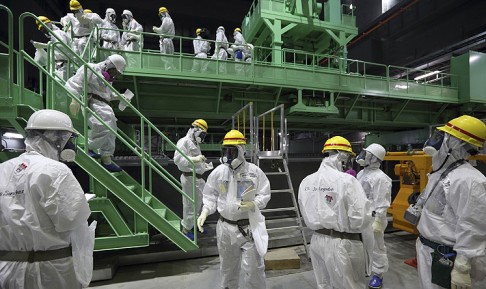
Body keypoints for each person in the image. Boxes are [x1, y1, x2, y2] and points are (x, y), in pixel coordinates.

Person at [0, 109, 95, 289]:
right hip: (50, 272)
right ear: (56, 138)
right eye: (68, 139)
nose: (70, 146)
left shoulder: (3, 169)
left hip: (6, 269)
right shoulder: (56, 171)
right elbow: (70, 220)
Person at [416, 115, 486, 289]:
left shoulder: (470, 180)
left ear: (455, 143)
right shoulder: (440, 173)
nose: (434, 141)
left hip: (448, 257)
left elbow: (473, 225)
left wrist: (462, 266)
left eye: (442, 136)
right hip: (429, 250)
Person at [197, 130, 271, 289]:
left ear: (241, 150)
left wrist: (255, 204)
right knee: (227, 268)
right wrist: (205, 210)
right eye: (225, 150)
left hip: (247, 227)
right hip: (224, 227)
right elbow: (210, 194)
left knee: (254, 270)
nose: (228, 155)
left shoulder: (254, 172)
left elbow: (264, 193)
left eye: (232, 150)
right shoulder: (219, 172)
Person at [298, 135, 373, 289]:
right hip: (343, 243)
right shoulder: (347, 181)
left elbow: (305, 210)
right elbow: (359, 218)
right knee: (351, 285)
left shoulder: (306, 181)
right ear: (342, 156)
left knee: (324, 285)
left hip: (317, 241)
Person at [65, 54, 127, 172]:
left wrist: (119, 97)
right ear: (108, 65)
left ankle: (106, 158)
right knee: (102, 126)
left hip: (105, 105)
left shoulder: (107, 78)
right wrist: (74, 100)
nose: (114, 76)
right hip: (92, 103)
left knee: (112, 130)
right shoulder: (90, 68)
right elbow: (76, 82)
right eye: (114, 72)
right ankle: (90, 147)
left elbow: (106, 94)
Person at [356, 143, 392, 289]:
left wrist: (378, 220)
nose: (363, 156)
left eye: (367, 153)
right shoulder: (361, 174)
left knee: (376, 247)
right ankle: (367, 269)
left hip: (373, 218)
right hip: (361, 216)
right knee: (362, 246)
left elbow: (382, 201)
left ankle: (378, 274)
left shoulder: (381, 178)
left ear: (374, 157)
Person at [173, 119, 213, 240]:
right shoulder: (184, 141)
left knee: (198, 204)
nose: (202, 137)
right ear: (195, 130)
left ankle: (194, 225)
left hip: (198, 179)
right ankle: (186, 230)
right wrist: (195, 159)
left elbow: (194, 163)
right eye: (202, 134)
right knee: (190, 205)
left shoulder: (195, 143)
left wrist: (204, 166)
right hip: (189, 178)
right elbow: (178, 160)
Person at [32, 16, 72, 81]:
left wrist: (43, 46)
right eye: (41, 30)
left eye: (43, 28)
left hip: (61, 65)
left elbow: (60, 46)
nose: (43, 31)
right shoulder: (55, 34)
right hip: (60, 65)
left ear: (48, 25)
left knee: (60, 87)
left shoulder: (57, 33)